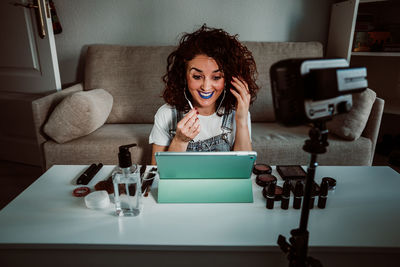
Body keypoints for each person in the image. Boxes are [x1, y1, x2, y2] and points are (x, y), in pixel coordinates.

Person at [149, 25, 259, 165]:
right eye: (197, 76)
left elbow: (244, 169)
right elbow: (155, 175)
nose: (206, 87)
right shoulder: (166, 114)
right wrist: (180, 141)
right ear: (184, 75)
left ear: (228, 79)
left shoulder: (238, 113)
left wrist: (242, 120)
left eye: (216, 77)